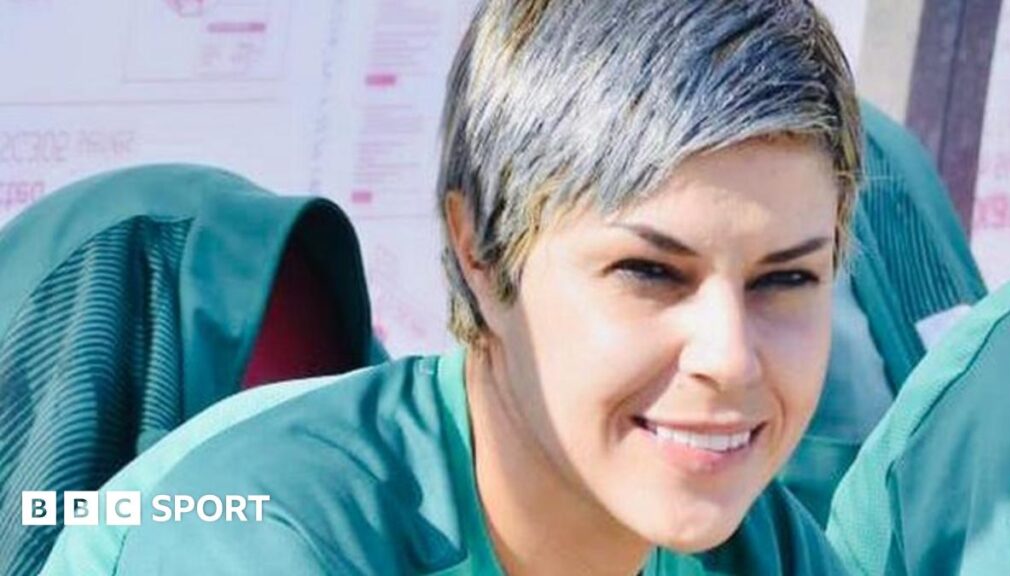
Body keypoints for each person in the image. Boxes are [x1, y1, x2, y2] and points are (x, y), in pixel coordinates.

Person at [100, 1, 861, 574]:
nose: (729, 359)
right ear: (483, 253)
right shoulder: (265, 541)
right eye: (650, 272)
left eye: (787, 278)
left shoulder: (760, 544)